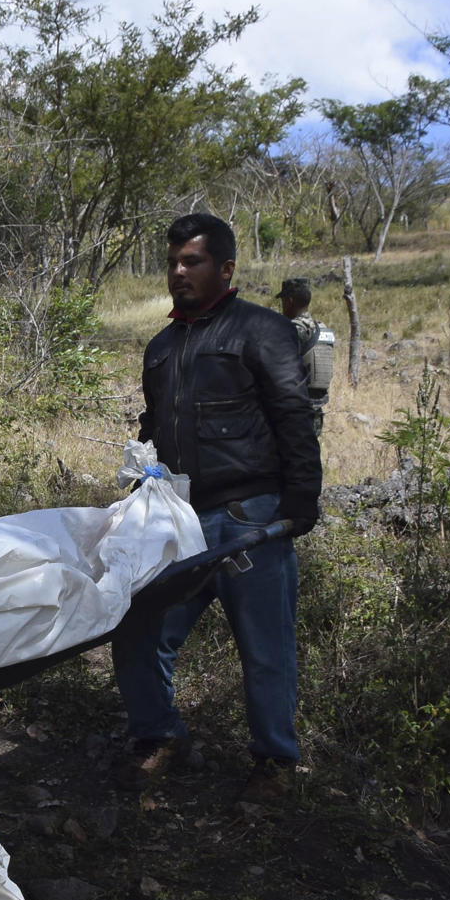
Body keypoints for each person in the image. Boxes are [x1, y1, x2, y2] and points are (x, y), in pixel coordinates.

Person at [110, 214, 321, 802]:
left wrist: (302, 499)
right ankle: (158, 737)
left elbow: (292, 413)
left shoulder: (261, 330)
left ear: (225, 268)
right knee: (138, 627)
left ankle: (274, 761)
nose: (178, 272)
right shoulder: (161, 345)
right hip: (179, 520)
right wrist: (137, 498)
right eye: (173, 261)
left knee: (264, 646)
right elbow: (154, 429)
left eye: (192, 261)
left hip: (251, 517)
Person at [278, 277, 335, 436]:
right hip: (316, 408)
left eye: (283, 301)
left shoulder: (291, 330)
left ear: (289, 301)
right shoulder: (322, 329)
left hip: (294, 411)